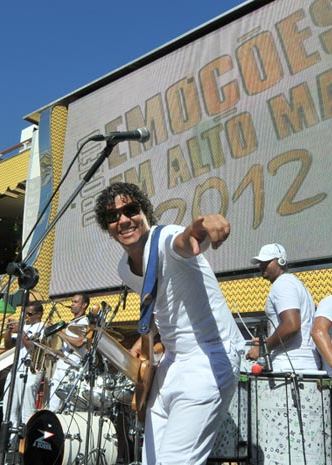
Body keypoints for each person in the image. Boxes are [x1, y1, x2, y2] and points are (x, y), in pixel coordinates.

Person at [93, 182, 243, 465]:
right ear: (107, 226)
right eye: (113, 216)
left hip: (208, 357)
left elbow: (185, 241)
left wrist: (202, 228)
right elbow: (163, 306)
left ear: (144, 211)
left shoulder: (166, 237)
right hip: (171, 363)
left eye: (130, 210)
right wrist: (143, 343)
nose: (123, 220)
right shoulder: (124, 268)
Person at [246, 243, 320, 371]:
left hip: (289, 365)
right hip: (303, 363)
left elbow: (291, 325)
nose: (261, 266)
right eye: (260, 262)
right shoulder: (295, 283)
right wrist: (268, 341)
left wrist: (264, 347)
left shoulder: (283, 283)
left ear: (281, 261)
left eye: (267, 262)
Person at [0, 301, 45, 447]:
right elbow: (8, 345)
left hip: (32, 370)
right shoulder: (24, 327)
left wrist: (21, 331)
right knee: (9, 406)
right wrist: (8, 331)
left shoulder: (42, 328)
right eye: (25, 314)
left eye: (29, 314)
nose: (26, 317)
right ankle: (8, 441)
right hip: (16, 369)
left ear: (39, 314)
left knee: (27, 408)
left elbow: (33, 347)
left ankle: (27, 443)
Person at [47, 292, 89, 412]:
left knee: (69, 407)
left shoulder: (84, 322)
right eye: (72, 302)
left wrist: (59, 332)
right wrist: (53, 352)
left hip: (72, 370)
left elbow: (79, 342)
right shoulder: (71, 323)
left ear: (84, 305)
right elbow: (67, 350)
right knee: (52, 405)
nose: (72, 304)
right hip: (61, 367)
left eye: (75, 302)